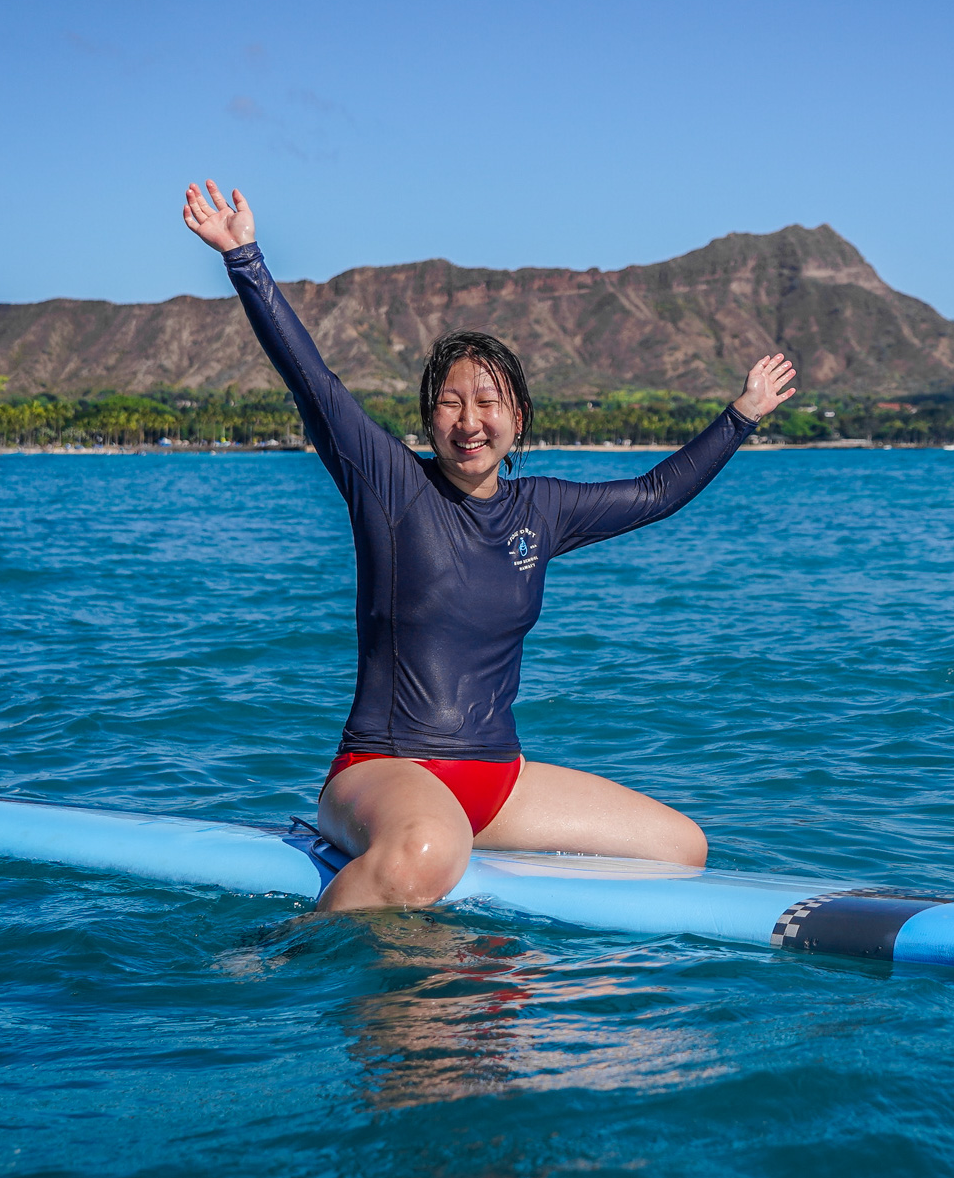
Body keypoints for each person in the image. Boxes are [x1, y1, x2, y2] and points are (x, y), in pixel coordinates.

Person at [183, 180, 796, 913]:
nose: (469, 421)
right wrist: (244, 259)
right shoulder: (390, 486)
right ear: (427, 418)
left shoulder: (542, 509)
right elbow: (313, 383)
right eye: (449, 402)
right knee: (429, 848)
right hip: (384, 768)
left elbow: (655, 493)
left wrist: (742, 414)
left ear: (518, 418)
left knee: (682, 847)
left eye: (488, 402)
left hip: (498, 781)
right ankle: (297, 957)